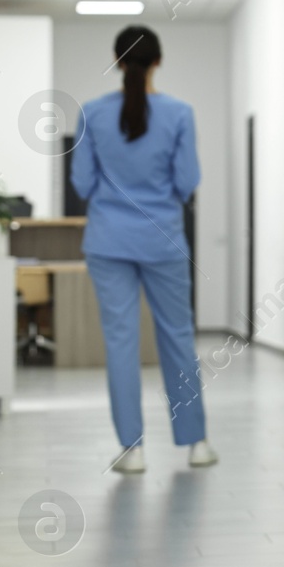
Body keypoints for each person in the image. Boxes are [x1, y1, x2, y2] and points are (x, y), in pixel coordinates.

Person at [70, 25, 218, 474]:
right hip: (164, 240)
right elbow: (187, 181)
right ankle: (195, 444)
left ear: (117, 63)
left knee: (121, 343)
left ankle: (132, 450)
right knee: (176, 338)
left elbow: (81, 182)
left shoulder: (92, 114)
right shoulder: (179, 113)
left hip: (108, 240)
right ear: (158, 62)